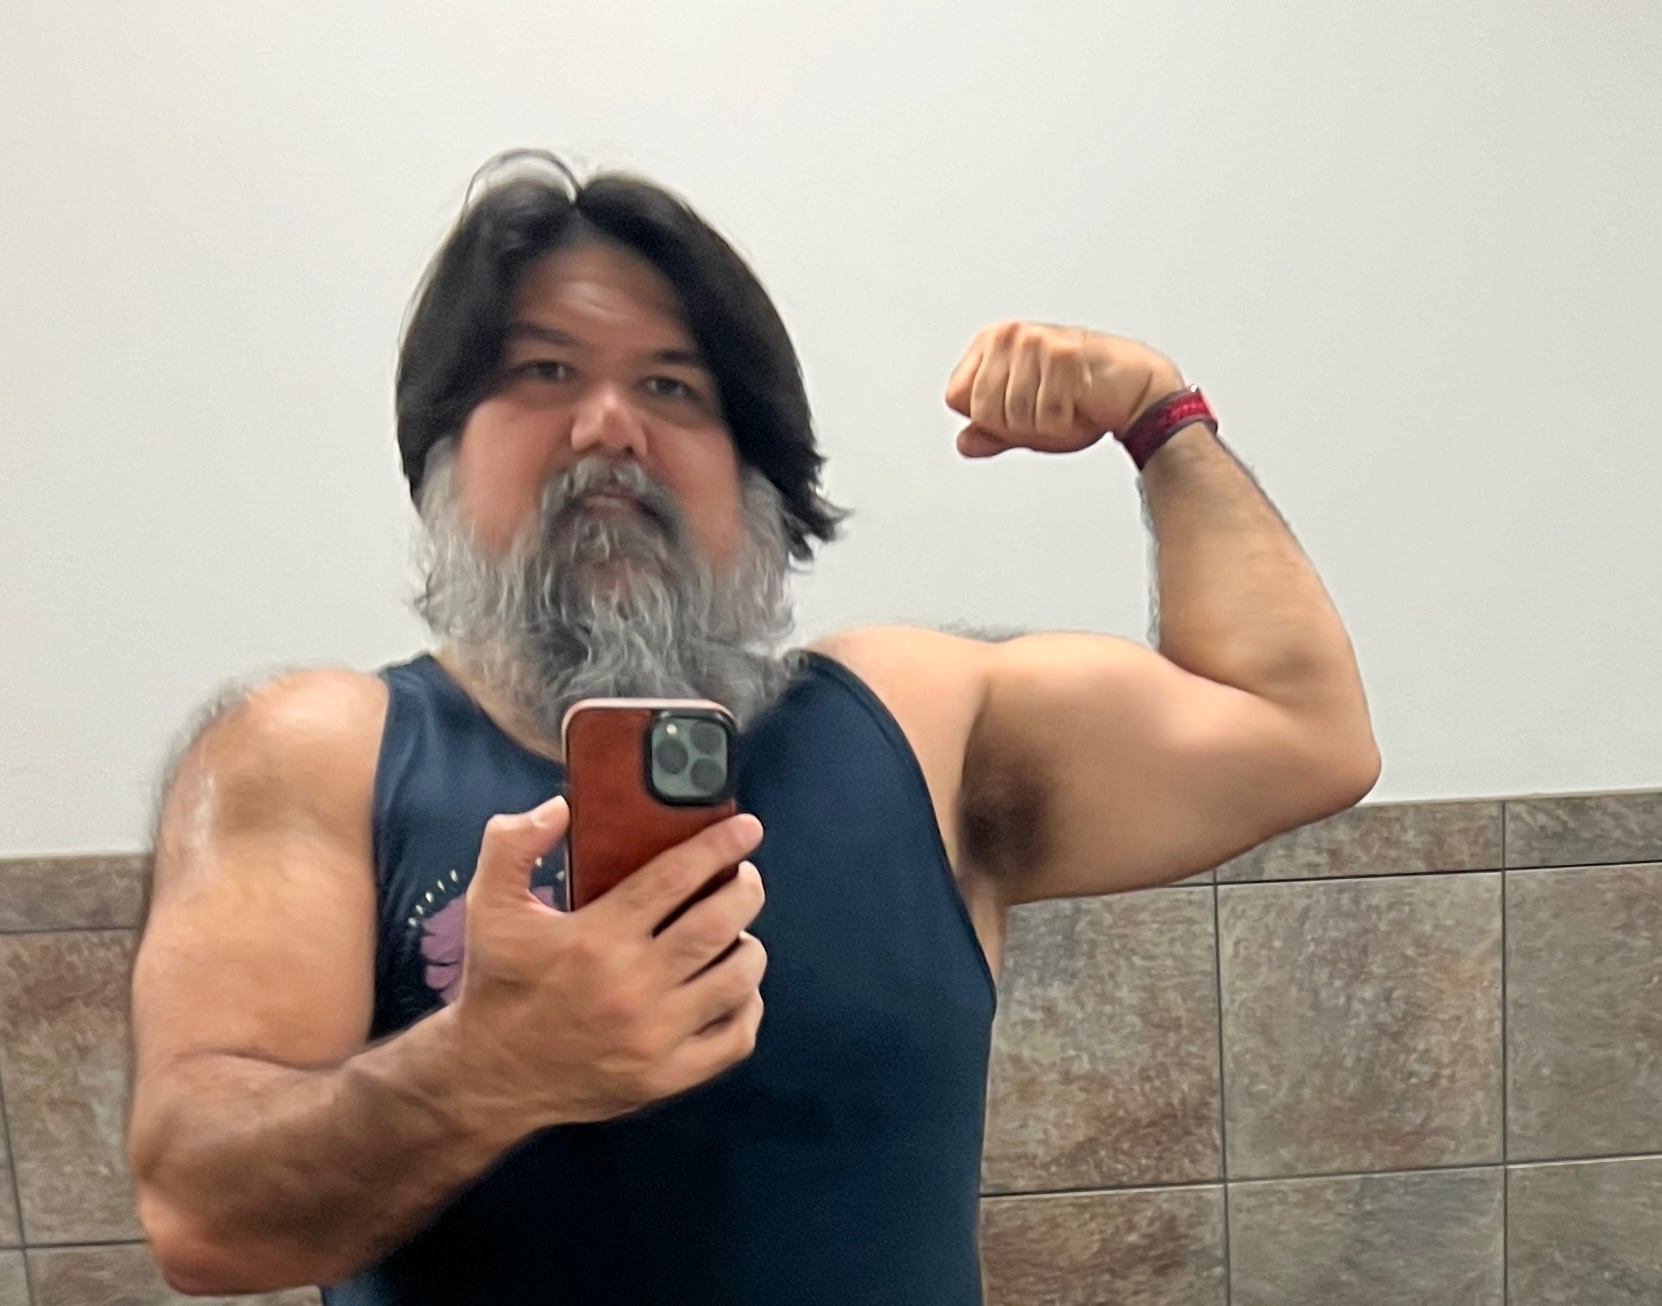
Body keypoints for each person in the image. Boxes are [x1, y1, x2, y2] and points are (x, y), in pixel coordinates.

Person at [125, 151, 1380, 1305]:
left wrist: (1160, 421)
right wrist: (484, 1068)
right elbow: (201, 1216)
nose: (608, 426)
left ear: (761, 477)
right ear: (442, 453)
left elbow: (1301, 732)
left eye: (673, 386)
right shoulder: (313, 755)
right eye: (543, 372)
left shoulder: (920, 729)